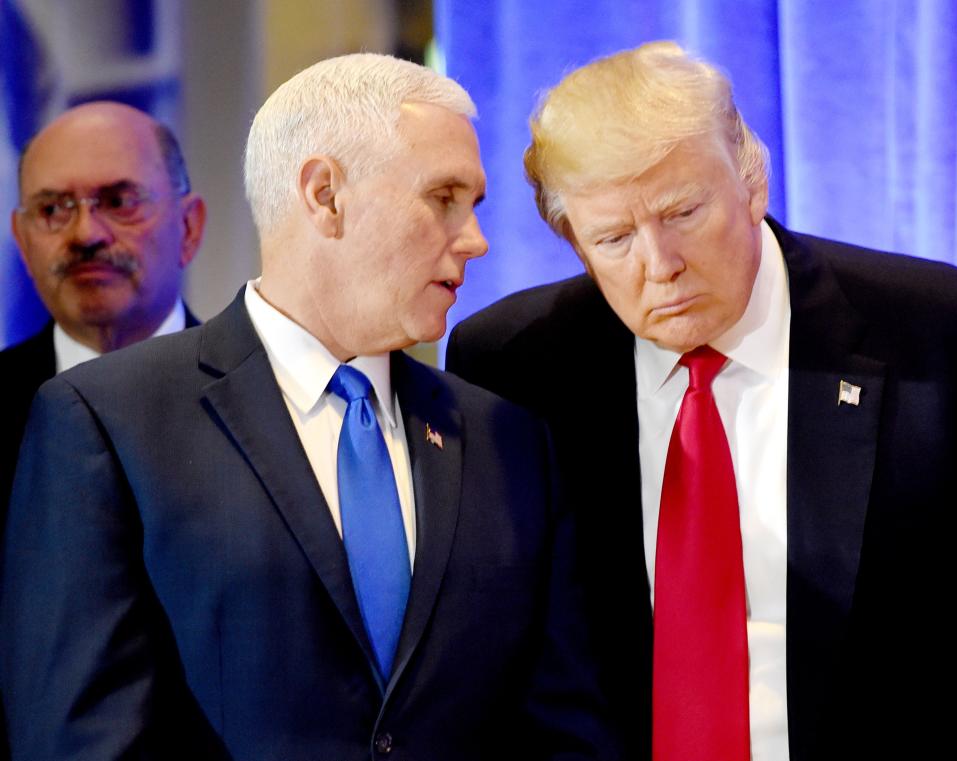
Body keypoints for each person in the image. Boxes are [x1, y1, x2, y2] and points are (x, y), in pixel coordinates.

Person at [0, 54, 616, 760]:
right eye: (443, 197)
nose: (475, 239)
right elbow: (82, 741)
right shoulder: (109, 421)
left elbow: (565, 732)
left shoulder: (507, 437)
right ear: (325, 194)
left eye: (472, 205)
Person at [447, 41, 957, 761]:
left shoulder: (934, 329)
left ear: (752, 179)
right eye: (615, 237)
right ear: (574, 244)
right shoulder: (514, 364)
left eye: (683, 212)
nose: (661, 265)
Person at [0, 101, 206, 510]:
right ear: (22, 242)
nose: (86, 234)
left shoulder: (269, 405)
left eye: (118, 202)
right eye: (53, 209)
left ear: (187, 228)